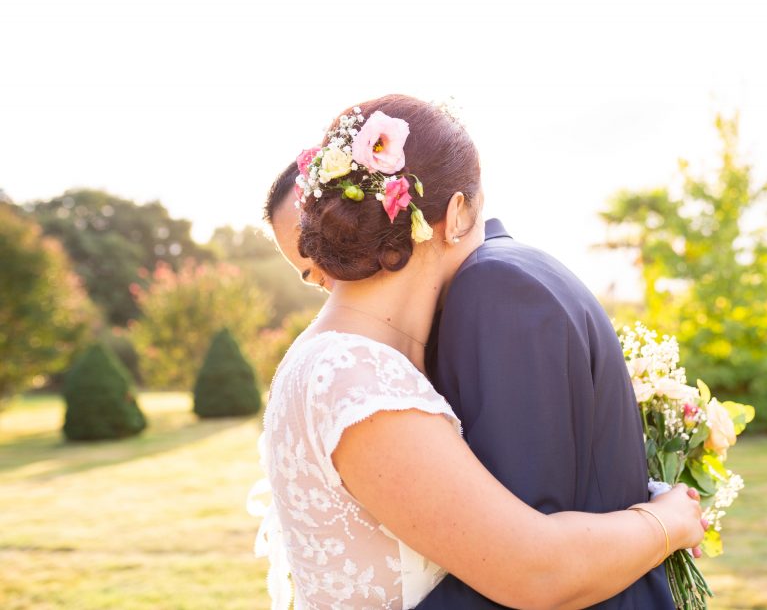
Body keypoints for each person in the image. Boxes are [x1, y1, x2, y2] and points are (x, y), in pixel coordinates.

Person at [255, 94, 702, 609]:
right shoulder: (354, 375)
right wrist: (669, 521)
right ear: (458, 213)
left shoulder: (337, 362)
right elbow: (536, 572)